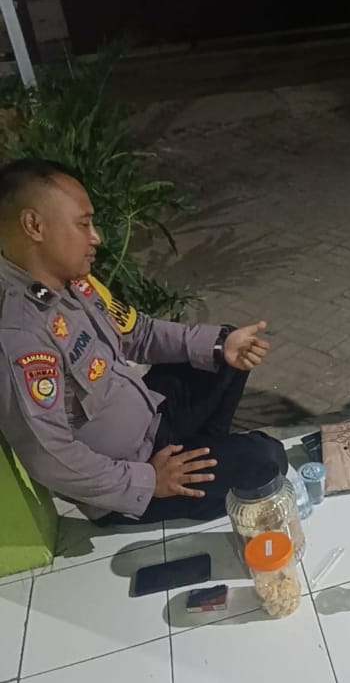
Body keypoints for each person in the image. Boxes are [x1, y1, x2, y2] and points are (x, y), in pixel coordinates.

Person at [0, 158, 287, 525]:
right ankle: (197, 475)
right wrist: (149, 481)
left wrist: (220, 345)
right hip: (133, 474)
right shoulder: (19, 334)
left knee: (225, 349)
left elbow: (138, 333)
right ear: (34, 226)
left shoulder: (72, 283)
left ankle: (204, 455)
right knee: (267, 459)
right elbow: (47, 455)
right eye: (83, 224)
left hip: (153, 420)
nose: (96, 237)